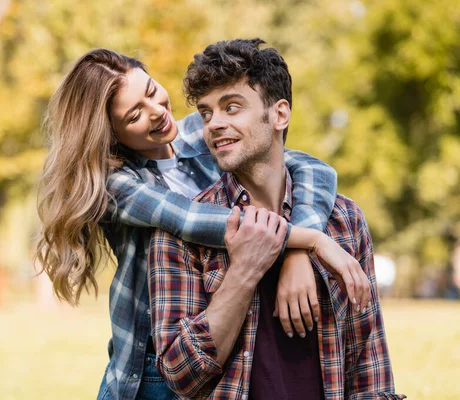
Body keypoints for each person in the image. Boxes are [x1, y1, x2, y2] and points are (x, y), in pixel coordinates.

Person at [36, 49, 369, 400]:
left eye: (151, 91)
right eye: (135, 115)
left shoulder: (200, 131)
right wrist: (311, 240)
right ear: (112, 134)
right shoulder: (116, 185)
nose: (157, 112)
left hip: (224, 343)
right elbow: (194, 220)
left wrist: (299, 251)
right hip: (153, 371)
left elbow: (310, 168)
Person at [149, 38, 405, 400]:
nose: (214, 124)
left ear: (280, 114)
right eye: (206, 113)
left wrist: (296, 249)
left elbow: (369, 369)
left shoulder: (345, 221)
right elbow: (181, 376)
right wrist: (244, 271)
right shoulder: (179, 233)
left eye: (231, 107)